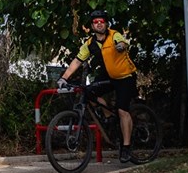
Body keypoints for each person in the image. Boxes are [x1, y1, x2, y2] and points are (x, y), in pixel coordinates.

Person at [56, 9, 138, 163]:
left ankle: (126, 148)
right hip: (108, 75)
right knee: (88, 91)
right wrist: (64, 78)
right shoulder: (89, 44)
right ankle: (109, 118)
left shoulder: (114, 35)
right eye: (95, 22)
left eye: (102, 21)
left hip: (125, 76)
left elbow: (122, 42)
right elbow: (77, 61)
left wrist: (120, 46)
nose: (99, 24)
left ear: (106, 24)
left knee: (122, 110)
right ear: (92, 26)